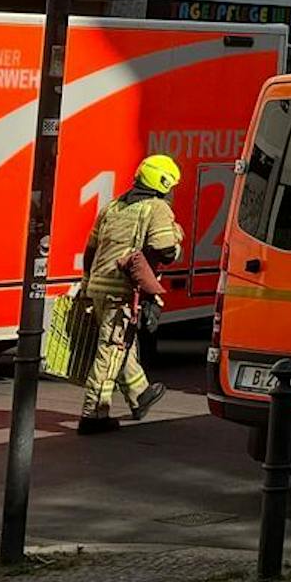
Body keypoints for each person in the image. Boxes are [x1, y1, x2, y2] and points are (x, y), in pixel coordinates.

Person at [78, 153, 185, 434]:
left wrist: (87, 283)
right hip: (122, 291)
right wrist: (177, 237)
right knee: (111, 349)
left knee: (121, 344)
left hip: (98, 285)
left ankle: (141, 394)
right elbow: (165, 250)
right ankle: (94, 414)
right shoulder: (157, 208)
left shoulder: (113, 206)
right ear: (162, 183)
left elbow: (90, 249)